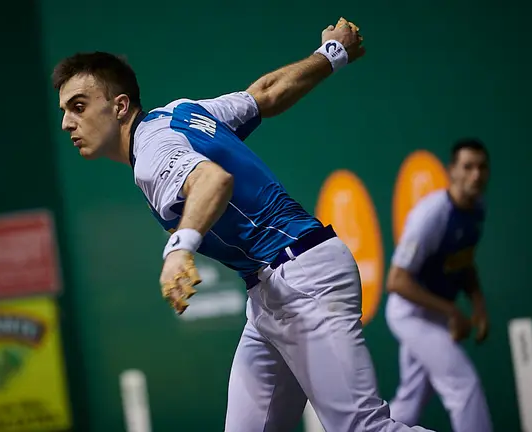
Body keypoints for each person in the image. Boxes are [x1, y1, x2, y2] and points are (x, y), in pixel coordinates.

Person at [52, 18, 432, 432]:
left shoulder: (151, 153)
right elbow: (264, 95)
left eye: (79, 106)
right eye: (64, 111)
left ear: (120, 105)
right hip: (272, 290)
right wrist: (332, 54)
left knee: (363, 428)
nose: (67, 122)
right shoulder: (180, 112)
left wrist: (179, 249)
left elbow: (213, 180)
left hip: (301, 278)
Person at [385, 139, 493, 432]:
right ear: (452, 171)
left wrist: (478, 305)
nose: (476, 175)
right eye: (467, 167)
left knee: (409, 404)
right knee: (463, 384)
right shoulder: (431, 215)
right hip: (410, 314)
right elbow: (396, 281)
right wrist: (453, 312)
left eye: (482, 167)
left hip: (436, 312)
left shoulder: (476, 209)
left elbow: (464, 262)